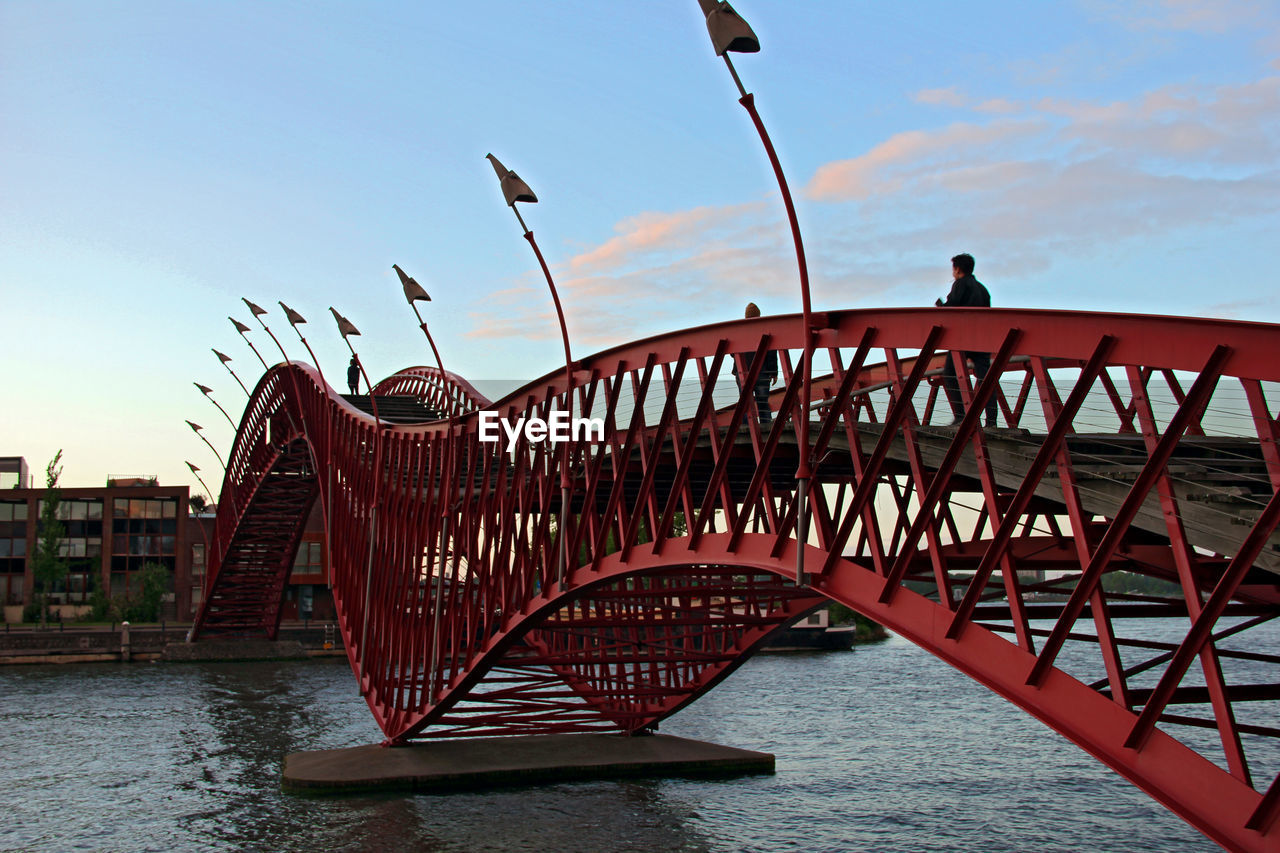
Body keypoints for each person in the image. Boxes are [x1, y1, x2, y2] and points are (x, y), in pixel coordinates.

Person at [935, 253, 997, 427]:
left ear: (957, 269)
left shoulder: (960, 284)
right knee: (986, 379)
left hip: (962, 339)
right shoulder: (983, 289)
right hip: (982, 339)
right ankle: (991, 421)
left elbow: (952, 307)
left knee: (950, 373)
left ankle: (961, 415)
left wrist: (940, 306)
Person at [732, 302, 779, 424]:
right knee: (763, 402)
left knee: (745, 403)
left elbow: (733, 353)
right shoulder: (765, 330)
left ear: (746, 316)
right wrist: (773, 372)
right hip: (762, 373)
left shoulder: (739, 331)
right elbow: (772, 353)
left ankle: (745, 428)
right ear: (759, 315)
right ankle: (766, 427)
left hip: (742, 373)